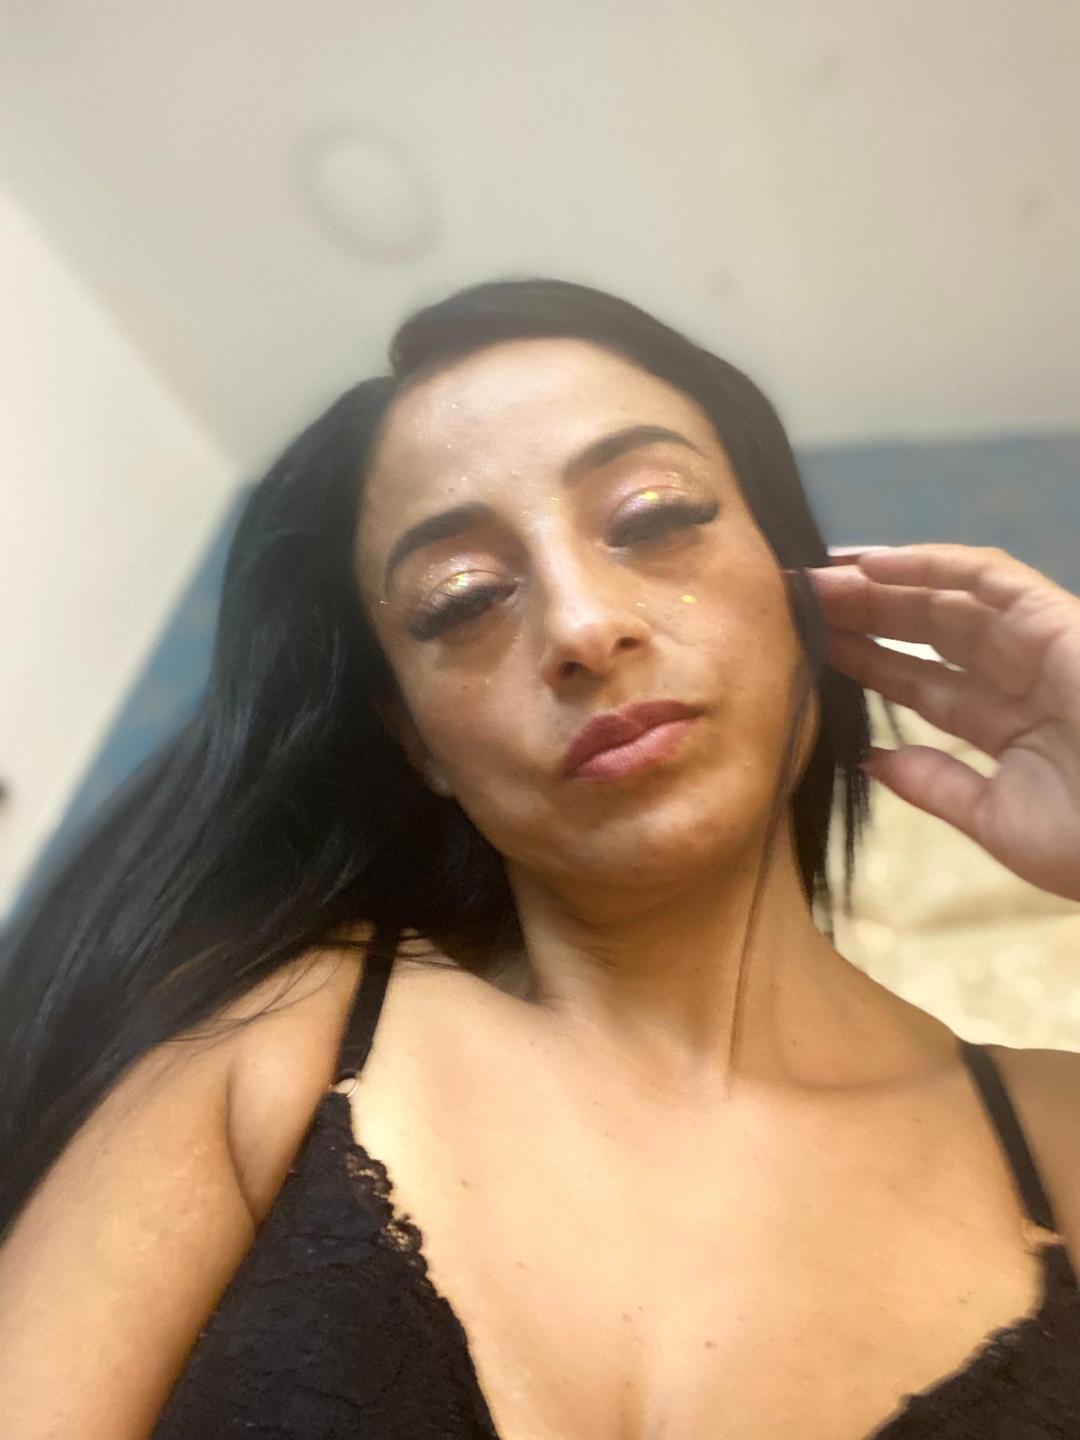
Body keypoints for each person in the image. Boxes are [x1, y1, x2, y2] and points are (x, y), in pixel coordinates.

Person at [1, 278, 1078, 1439]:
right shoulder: (282, 1044)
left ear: (802, 599)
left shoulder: (1057, 1140)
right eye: (462, 600)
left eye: (654, 517)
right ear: (419, 742)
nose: (580, 626)